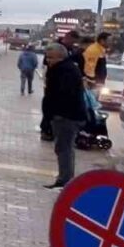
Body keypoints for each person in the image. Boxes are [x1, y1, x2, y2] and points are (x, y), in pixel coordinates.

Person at [42, 42, 86, 189]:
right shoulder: (64, 68)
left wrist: (54, 113)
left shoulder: (64, 71)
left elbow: (62, 94)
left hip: (66, 117)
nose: (48, 61)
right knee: (64, 148)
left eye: (51, 58)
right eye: (47, 58)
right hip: (65, 115)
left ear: (60, 57)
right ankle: (65, 179)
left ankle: (65, 181)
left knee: (64, 148)